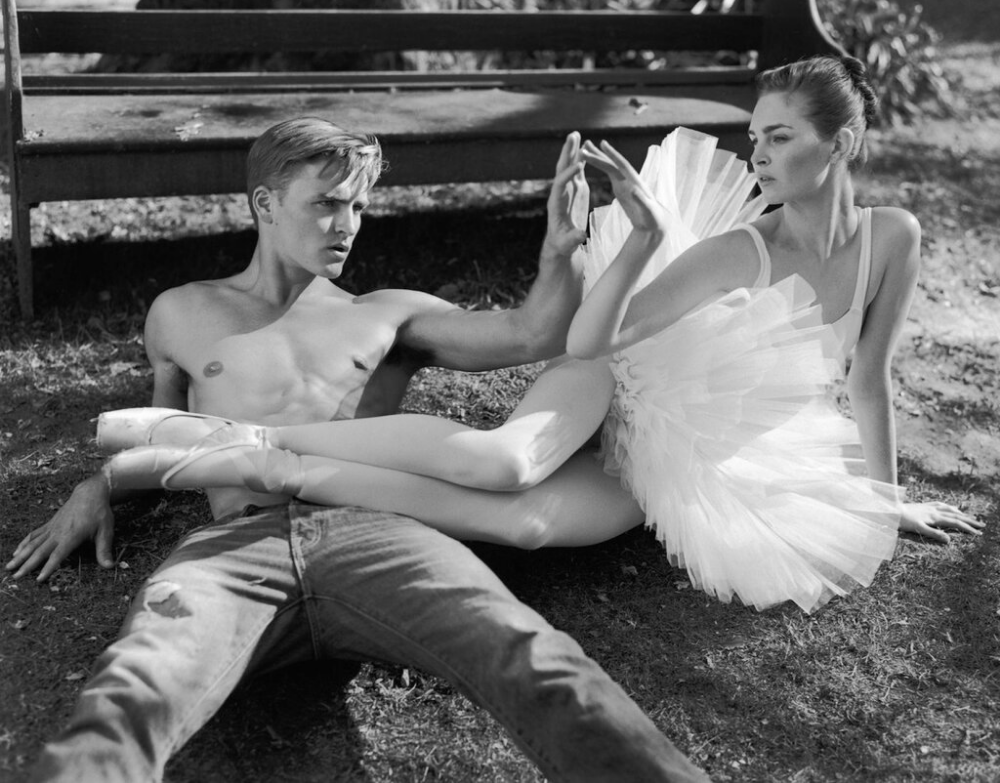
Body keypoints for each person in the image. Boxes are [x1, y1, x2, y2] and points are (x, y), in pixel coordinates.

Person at [74, 56, 982, 616]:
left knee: (533, 528)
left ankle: (266, 462)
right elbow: (589, 341)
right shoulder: (744, 249)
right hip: (620, 375)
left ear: (843, 142)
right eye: (757, 135)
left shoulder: (893, 239)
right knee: (506, 462)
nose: (757, 154)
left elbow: (869, 379)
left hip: (692, 447)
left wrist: (882, 501)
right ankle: (258, 445)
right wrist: (644, 243)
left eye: (778, 138)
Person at [6, 116, 712, 783]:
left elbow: (532, 333)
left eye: (358, 207)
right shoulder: (181, 312)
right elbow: (165, 432)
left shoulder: (386, 313)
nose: (347, 225)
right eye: (326, 204)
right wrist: (99, 486)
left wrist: (557, 252)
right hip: (231, 549)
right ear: (265, 203)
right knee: (133, 684)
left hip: (378, 530)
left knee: (531, 657)